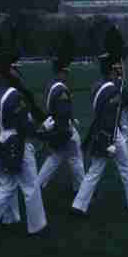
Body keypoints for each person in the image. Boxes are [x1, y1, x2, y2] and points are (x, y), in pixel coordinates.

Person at [0, 56, 44, 234]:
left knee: (8, 185)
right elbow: (24, 124)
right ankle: (37, 226)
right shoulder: (14, 95)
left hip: (4, 140)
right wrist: (41, 131)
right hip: (18, 141)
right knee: (30, 186)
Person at [71, 52, 128, 216]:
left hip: (103, 131)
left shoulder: (97, 85)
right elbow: (110, 117)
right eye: (116, 68)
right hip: (109, 133)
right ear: (112, 70)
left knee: (106, 168)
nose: (119, 71)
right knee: (117, 168)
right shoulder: (112, 90)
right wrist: (109, 142)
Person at [35, 53, 85, 194]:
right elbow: (62, 113)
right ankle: (83, 190)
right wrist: (66, 130)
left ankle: (38, 185)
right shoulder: (61, 89)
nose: (67, 75)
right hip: (62, 129)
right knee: (75, 160)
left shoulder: (49, 84)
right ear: (62, 71)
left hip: (53, 126)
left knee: (55, 159)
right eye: (66, 72)